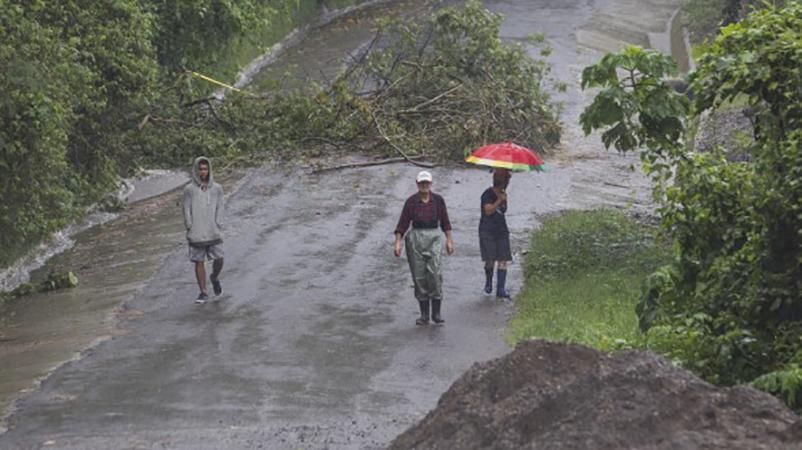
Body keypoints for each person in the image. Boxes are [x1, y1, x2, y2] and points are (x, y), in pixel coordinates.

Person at [394, 170, 455, 325]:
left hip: (434, 236)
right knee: (419, 275)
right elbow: (402, 224)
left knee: (435, 273)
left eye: (426, 183)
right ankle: (424, 315)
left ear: (431, 184)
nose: (424, 186)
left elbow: (445, 222)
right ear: (417, 184)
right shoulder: (411, 202)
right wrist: (398, 242)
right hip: (416, 238)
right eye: (421, 183)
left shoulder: (438, 200)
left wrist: (449, 240)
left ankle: (436, 313)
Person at [183, 156, 225, 304]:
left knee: (219, 258)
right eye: (200, 169)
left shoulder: (217, 188)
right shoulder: (189, 189)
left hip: (213, 229)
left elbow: (221, 206)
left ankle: (214, 277)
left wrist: (218, 223)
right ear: (196, 170)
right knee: (199, 261)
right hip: (197, 230)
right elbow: (186, 208)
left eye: (205, 169)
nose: (203, 172)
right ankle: (203, 292)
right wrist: (189, 225)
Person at [479, 168, 513, 298]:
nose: (508, 182)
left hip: (501, 230)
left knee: (503, 259)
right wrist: (499, 201)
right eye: (506, 179)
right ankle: (488, 282)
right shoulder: (487, 194)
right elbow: (488, 210)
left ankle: (501, 289)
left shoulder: (504, 194)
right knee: (490, 260)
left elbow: (503, 211)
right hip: (487, 230)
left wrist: (503, 199)